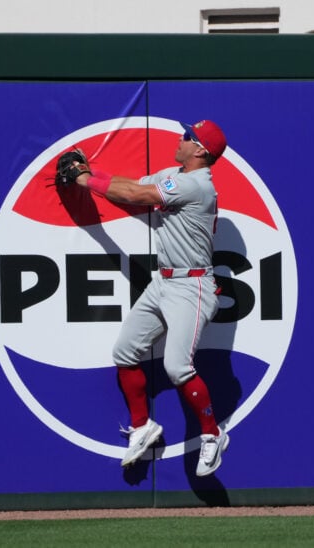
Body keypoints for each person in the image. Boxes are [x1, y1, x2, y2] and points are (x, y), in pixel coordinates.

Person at [74, 119, 229, 477]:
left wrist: (83, 180)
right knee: (125, 351)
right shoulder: (175, 174)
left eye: (188, 136)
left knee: (177, 367)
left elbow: (133, 197)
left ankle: (212, 433)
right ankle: (142, 426)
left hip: (192, 286)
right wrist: (90, 170)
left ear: (201, 150)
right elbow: (130, 186)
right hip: (164, 281)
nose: (181, 138)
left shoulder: (196, 185)